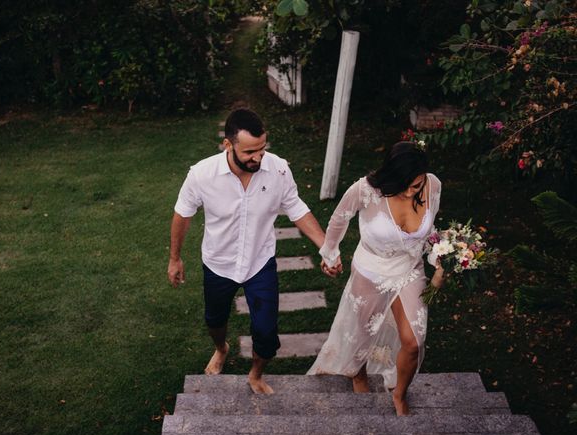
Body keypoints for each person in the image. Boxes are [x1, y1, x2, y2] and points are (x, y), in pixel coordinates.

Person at [168, 108, 326, 394]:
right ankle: (221, 348)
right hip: (218, 262)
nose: (258, 157)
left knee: (266, 333)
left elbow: (296, 208)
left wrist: (326, 247)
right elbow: (182, 214)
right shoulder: (201, 174)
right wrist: (175, 258)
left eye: (262, 149)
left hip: (259, 262)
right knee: (214, 320)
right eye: (250, 152)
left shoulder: (278, 169)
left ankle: (256, 374)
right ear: (228, 145)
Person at [307, 141, 445, 415]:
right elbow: (339, 218)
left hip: (409, 271)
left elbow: (430, 232)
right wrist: (331, 254)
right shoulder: (365, 189)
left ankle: (400, 394)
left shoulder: (433, 186)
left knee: (414, 342)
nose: (409, 191)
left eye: (415, 185)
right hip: (370, 271)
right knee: (362, 333)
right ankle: (358, 374)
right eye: (403, 184)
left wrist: (439, 259)